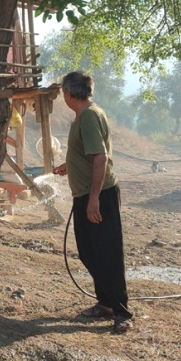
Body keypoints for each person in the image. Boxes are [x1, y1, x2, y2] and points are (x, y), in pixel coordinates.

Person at [53, 71, 133, 333]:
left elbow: (100, 157)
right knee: (89, 250)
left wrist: (94, 200)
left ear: (69, 93)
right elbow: (89, 153)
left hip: (97, 194)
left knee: (107, 251)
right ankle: (106, 303)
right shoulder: (84, 115)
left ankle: (121, 312)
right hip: (85, 193)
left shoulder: (88, 116)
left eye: (63, 92)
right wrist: (70, 165)